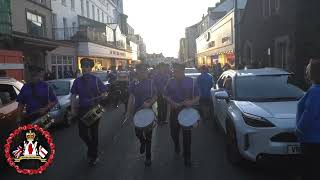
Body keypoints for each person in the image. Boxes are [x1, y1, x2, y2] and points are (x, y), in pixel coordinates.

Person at [70, 58, 107, 166]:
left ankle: (94, 156)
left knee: (93, 133)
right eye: (83, 67)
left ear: (91, 68)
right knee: (82, 133)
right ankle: (92, 149)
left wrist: (104, 95)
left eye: (87, 67)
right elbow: (73, 96)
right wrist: (72, 109)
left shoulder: (96, 80)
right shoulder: (77, 81)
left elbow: (105, 92)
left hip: (95, 109)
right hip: (82, 110)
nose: (85, 69)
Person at [164, 63, 200, 167]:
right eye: (174, 71)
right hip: (175, 111)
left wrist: (191, 102)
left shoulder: (191, 81)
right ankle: (176, 146)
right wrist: (172, 103)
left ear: (183, 71)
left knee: (187, 136)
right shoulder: (170, 81)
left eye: (177, 71)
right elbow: (165, 95)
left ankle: (187, 157)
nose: (175, 73)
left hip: (187, 111)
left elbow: (198, 96)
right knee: (173, 133)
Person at [126, 63, 157, 166]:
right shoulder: (134, 83)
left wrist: (149, 103)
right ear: (137, 71)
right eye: (140, 70)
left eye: (144, 70)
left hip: (148, 112)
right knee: (138, 133)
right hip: (137, 112)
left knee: (149, 136)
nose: (143, 72)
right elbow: (131, 98)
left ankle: (148, 157)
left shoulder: (151, 82)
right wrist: (128, 112)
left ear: (147, 71)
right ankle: (142, 142)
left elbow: (156, 95)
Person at [296, 59, 320, 180]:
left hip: (311, 139)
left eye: (308, 69)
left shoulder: (315, 91)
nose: (306, 72)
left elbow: (309, 113)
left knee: (310, 172)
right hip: (315, 139)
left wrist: (299, 129)